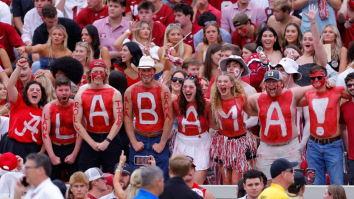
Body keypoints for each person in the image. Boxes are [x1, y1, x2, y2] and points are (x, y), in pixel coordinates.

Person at [248, 70, 314, 180]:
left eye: (274, 81)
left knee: (291, 183)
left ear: (282, 83)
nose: (271, 84)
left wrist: (329, 83)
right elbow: (243, 104)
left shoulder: (291, 93)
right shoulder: (257, 98)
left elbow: (315, 87)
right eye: (268, 82)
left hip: (289, 147)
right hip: (266, 148)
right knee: (267, 184)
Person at [297, 65, 351, 185]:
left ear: (326, 77)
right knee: (315, 185)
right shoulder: (309, 94)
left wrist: (333, 84)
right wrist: (311, 86)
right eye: (313, 78)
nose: (316, 80)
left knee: (337, 184)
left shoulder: (336, 90)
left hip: (334, 145)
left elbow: (351, 93)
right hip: (313, 146)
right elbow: (293, 99)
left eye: (319, 77)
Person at [124, 56, 172, 181]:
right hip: (139, 138)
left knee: (161, 179)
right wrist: (133, 141)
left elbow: (169, 118)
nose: (146, 73)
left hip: (158, 138)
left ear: (154, 71)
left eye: (148, 70)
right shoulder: (130, 91)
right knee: (138, 179)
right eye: (143, 70)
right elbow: (127, 117)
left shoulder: (163, 89)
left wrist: (162, 143)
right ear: (138, 72)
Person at [74, 60, 123, 173]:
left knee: (114, 174)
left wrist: (107, 141)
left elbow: (118, 120)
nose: (98, 75)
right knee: (86, 175)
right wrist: (91, 142)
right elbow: (76, 122)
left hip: (111, 137)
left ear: (105, 74)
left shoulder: (114, 93)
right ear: (90, 73)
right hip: (90, 136)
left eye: (101, 72)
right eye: (95, 72)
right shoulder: (81, 94)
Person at [210, 72, 257, 185]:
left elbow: (251, 112)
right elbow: (213, 124)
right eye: (219, 81)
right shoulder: (214, 101)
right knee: (226, 182)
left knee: (236, 181)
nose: (222, 84)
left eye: (225, 81)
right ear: (216, 85)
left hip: (240, 142)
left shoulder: (241, 97)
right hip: (223, 143)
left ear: (231, 84)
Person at [172, 75, 217, 185]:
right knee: (181, 182)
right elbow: (168, 121)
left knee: (196, 184)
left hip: (201, 144)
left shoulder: (207, 104)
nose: (187, 90)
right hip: (182, 142)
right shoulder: (176, 103)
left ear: (197, 88)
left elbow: (214, 125)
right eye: (185, 86)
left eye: (191, 87)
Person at [0, 58, 47, 159]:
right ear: (26, 93)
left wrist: (41, 152)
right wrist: (18, 68)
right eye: (31, 90)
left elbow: (46, 135)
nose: (34, 92)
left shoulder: (45, 111)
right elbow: (10, 85)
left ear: (42, 95)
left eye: (38, 90)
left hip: (33, 148)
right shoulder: (18, 102)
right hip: (13, 146)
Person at [41, 76, 81, 180]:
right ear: (55, 92)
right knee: (52, 183)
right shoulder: (49, 108)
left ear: (71, 91)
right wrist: (52, 156)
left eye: (66, 90)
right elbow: (45, 134)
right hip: (55, 147)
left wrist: (74, 154)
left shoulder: (76, 107)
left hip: (72, 146)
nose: (64, 93)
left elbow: (81, 132)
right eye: (61, 90)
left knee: (76, 181)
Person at [247, 26, 282, 92]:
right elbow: (251, 81)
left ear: (275, 38)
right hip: (261, 93)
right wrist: (263, 66)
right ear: (260, 39)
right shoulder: (253, 58)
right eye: (265, 36)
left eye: (270, 36)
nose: (268, 38)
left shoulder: (283, 53)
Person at [340, 72, 354, 185]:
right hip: (352, 157)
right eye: (349, 85)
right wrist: (348, 150)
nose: (352, 87)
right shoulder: (344, 107)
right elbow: (343, 128)